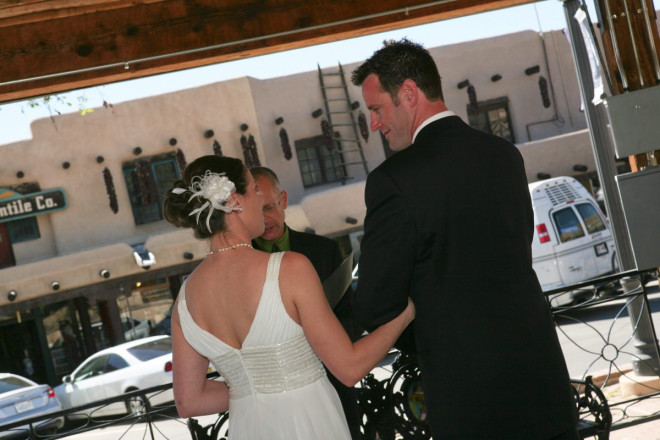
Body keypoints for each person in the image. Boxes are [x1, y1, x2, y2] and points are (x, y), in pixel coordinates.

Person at [350, 39, 579, 439]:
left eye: (376, 109)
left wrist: (434, 331)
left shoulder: (393, 180)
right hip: (543, 381)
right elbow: (515, 252)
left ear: (408, 94)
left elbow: (375, 304)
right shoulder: (504, 154)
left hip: (471, 399)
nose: (374, 124)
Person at [164, 155, 414, 439]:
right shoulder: (289, 268)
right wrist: (405, 313)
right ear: (235, 200)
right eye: (254, 190)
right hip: (310, 422)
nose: (260, 199)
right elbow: (349, 367)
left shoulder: (185, 299)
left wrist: (253, 388)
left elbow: (189, 401)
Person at [249, 166, 362, 440]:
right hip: (273, 405)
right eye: (256, 212)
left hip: (334, 388)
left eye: (270, 207)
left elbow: (351, 319)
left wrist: (322, 334)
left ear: (284, 200)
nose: (265, 219)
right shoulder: (241, 266)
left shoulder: (324, 251)